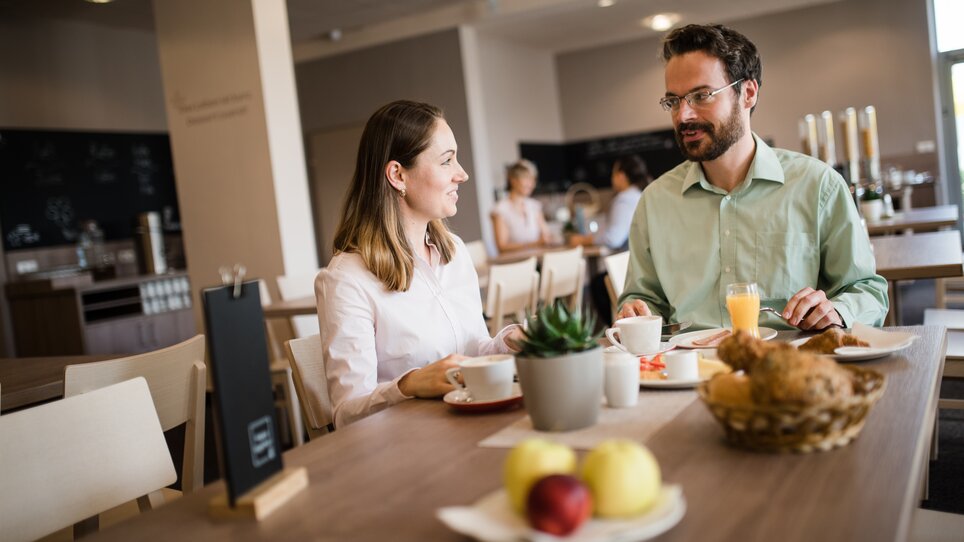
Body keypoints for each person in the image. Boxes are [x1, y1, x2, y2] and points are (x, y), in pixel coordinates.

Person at [617, 24, 888, 331]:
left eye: (701, 95)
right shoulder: (655, 202)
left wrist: (837, 311)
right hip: (690, 360)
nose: (683, 115)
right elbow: (644, 298)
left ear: (747, 93)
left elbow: (867, 290)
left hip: (789, 358)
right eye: (674, 101)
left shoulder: (817, 186)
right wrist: (637, 311)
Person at [316, 100, 522, 428]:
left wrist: (506, 343)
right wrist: (409, 385)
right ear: (398, 175)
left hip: (470, 424)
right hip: (412, 443)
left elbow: (471, 351)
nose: (462, 174)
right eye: (447, 161)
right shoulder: (346, 279)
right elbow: (347, 413)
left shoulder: (454, 251)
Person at [491, 159, 552, 253]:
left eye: (533, 179)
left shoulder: (534, 206)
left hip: (538, 257)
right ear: (513, 180)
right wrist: (535, 244)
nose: (531, 184)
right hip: (515, 261)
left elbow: (546, 234)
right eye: (527, 178)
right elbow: (502, 247)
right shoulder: (500, 209)